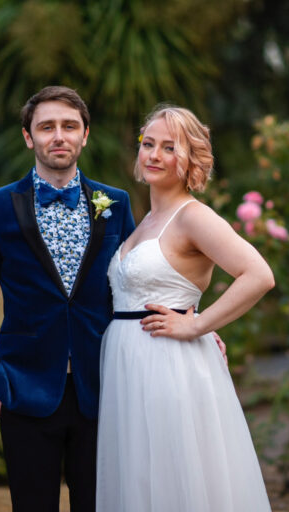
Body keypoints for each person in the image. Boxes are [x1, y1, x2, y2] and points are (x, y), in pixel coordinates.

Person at [0, 85, 136, 511]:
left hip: (101, 389)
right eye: (46, 127)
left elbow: (136, 286)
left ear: (85, 135)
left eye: (69, 126)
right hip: (24, 390)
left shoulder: (115, 203)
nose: (58, 135)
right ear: (28, 137)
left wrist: (193, 323)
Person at [96, 105, 275, 511]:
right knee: (139, 481)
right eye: (149, 144)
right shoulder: (143, 222)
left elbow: (258, 275)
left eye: (169, 147)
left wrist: (199, 325)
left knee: (173, 480)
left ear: (190, 157)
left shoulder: (193, 217)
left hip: (168, 366)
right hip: (127, 366)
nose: (154, 155)